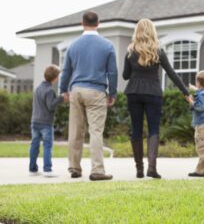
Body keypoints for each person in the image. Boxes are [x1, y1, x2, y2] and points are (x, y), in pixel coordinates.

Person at [123, 18, 190, 179]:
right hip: (153, 93)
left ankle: (139, 170)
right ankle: (151, 168)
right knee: (154, 129)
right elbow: (172, 74)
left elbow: (125, 76)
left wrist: (135, 69)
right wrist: (186, 93)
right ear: (152, 31)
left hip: (133, 92)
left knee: (136, 129)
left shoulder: (130, 51)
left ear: (137, 32)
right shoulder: (158, 51)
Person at [60, 11, 117, 181]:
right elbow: (112, 72)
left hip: (76, 90)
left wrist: (63, 90)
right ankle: (97, 170)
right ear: (98, 23)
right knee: (96, 131)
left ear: (82, 23)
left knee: (75, 131)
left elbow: (66, 71)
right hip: (96, 91)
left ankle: (75, 168)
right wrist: (112, 93)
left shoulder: (73, 45)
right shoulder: (107, 45)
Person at [29, 65, 67, 177]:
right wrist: (61, 98)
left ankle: (32, 169)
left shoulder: (38, 88)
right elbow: (51, 106)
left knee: (34, 146)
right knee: (47, 146)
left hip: (35, 121)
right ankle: (47, 169)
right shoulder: (50, 90)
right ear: (55, 78)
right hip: (45, 123)